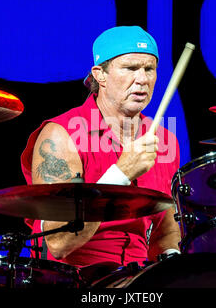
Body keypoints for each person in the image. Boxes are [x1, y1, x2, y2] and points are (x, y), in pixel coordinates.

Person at [20, 26, 181, 270]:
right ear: (99, 75)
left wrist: (174, 264)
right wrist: (121, 174)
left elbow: (165, 231)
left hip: (139, 277)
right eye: (130, 68)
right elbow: (58, 243)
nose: (143, 79)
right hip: (76, 277)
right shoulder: (61, 135)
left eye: (149, 69)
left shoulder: (163, 138)